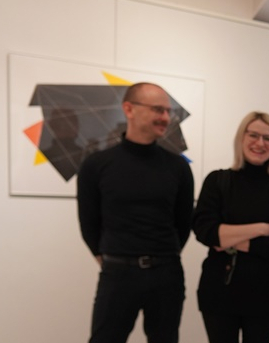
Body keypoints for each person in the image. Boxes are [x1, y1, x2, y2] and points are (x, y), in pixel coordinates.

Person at [77, 82, 194, 343]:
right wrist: (112, 258)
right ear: (129, 109)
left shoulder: (178, 167)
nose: (165, 117)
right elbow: (89, 223)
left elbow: (183, 223)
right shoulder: (96, 165)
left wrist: (164, 254)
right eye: (158, 109)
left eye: (168, 111)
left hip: (166, 273)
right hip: (118, 274)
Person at [192, 111, 269, 343]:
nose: (260, 143)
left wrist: (229, 239)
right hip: (219, 290)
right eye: (253, 135)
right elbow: (205, 232)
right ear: (241, 138)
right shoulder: (217, 181)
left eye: (268, 138)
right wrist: (262, 228)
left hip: (267, 292)